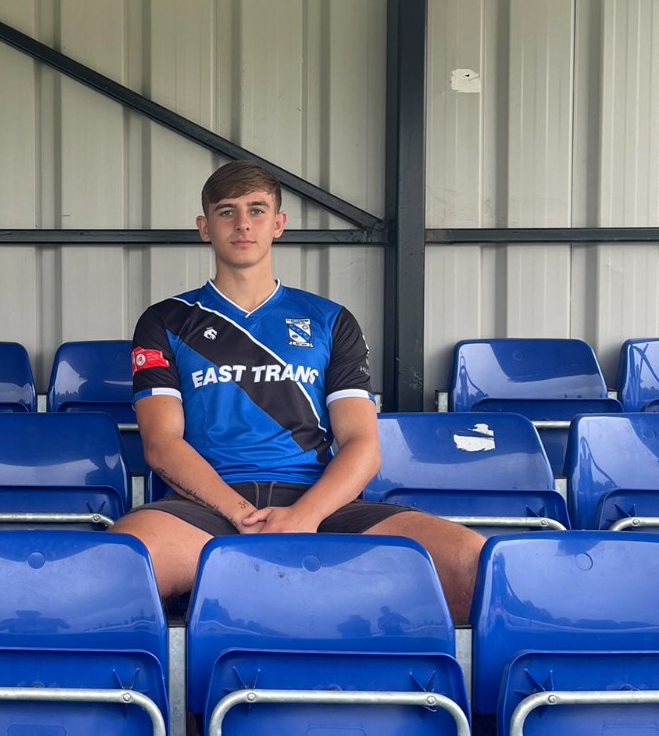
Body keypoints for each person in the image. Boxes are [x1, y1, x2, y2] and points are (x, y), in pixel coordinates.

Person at [112, 161, 482, 622]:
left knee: (470, 563)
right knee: (119, 566)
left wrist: (304, 516)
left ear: (278, 224)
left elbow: (362, 445)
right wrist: (242, 514)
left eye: (257, 210)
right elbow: (161, 443)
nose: (242, 224)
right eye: (226, 212)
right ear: (205, 228)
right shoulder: (166, 320)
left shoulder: (329, 319)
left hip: (317, 501)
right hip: (207, 506)